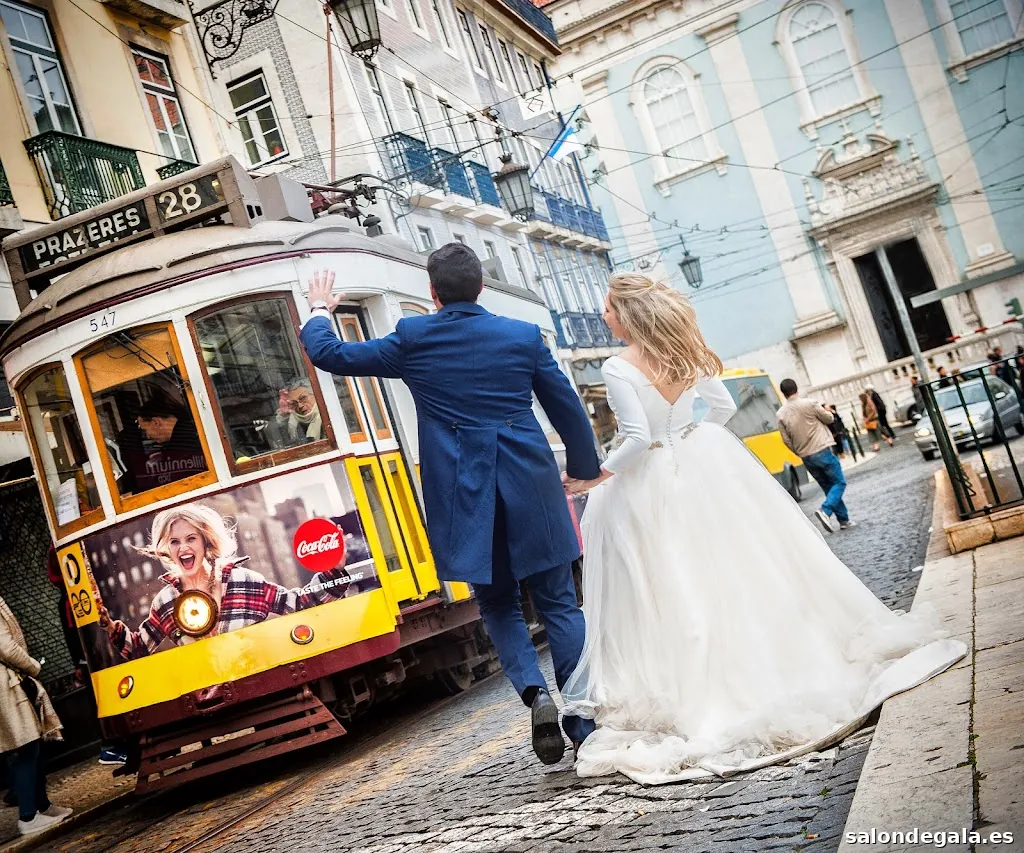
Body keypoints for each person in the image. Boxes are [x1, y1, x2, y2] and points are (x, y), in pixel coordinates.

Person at [557, 273, 967, 784]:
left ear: (629, 314)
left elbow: (637, 438)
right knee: (740, 571)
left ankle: (696, 685)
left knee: (672, 581)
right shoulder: (685, 350)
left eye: (608, 309)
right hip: (701, 464)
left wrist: (596, 477)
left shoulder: (619, 366)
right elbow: (723, 407)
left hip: (649, 484)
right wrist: (692, 442)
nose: (604, 316)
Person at [299, 246, 601, 765]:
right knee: (557, 603)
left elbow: (332, 355)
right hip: (530, 484)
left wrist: (320, 308)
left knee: (498, 603)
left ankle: (536, 695)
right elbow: (566, 407)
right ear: (480, 287)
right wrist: (582, 467)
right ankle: (583, 724)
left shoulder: (414, 338)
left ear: (433, 293)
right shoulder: (521, 336)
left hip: (466, 495)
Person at [99, 504, 353, 659]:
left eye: (191, 539)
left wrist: (334, 570)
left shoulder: (243, 581)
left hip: (258, 677)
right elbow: (138, 648)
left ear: (205, 542)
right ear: (167, 549)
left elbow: (299, 603)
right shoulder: (165, 602)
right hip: (207, 695)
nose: (183, 548)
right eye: (174, 542)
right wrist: (110, 626)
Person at [44, 546, 127, 766]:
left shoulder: (73, 598)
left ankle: (116, 743)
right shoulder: (72, 600)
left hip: (92, 656)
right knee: (103, 698)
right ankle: (110, 745)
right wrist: (79, 661)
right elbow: (74, 633)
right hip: (91, 658)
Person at [0, 594, 72, 835]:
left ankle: (42, 806)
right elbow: (6, 647)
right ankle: (28, 817)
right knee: (26, 747)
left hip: (10, 682)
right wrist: (33, 666)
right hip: (5, 684)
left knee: (32, 744)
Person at [776, 380, 853, 533]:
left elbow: (786, 440)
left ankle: (844, 520)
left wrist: (799, 451)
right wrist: (827, 411)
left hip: (806, 456)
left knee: (828, 487)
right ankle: (825, 510)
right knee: (839, 482)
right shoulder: (810, 404)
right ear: (796, 388)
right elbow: (829, 419)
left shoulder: (781, 414)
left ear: (783, 393)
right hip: (821, 449)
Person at [117, 392, 207, 495]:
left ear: (156, 422)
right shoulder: (187, 433)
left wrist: (135, 495)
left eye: (145, 430)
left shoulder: (183, 444)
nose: (147, 436)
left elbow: (170, 482)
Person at [269, 379, 324, 448]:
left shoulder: (329, 414)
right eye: (294, 403)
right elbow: (276, 438)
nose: (300, 406)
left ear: (315, 394)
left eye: (303, 398)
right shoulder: (293, 421)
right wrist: (282, 416)